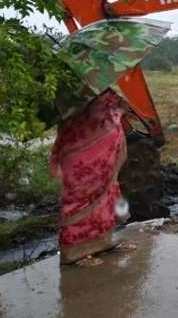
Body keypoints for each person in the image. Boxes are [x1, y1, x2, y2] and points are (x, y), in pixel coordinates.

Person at [50, 89, 130, 264]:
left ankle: (102, 242)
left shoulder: (94, 84)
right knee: (80, 199)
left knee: (104, 193)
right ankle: (74, 253)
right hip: (83, 154)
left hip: (93, 152)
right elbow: (96, 116)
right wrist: (121, 109)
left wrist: (118, 107)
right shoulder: (73, 88)